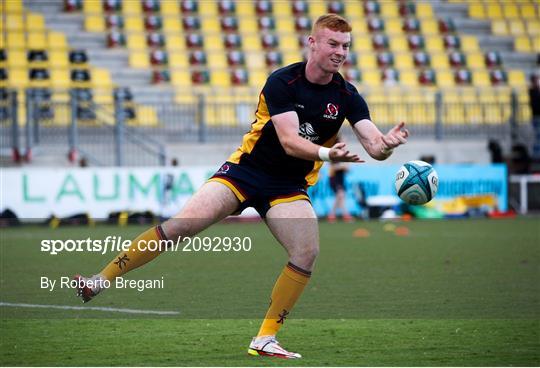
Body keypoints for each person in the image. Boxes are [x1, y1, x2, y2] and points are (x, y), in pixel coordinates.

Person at [73, 14, 409, 359]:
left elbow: (373, 146)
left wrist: (388, 145)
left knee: (306, 252)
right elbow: (291, 141)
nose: (341, 52)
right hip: (244, 172)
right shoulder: (282, 82)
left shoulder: (348, 95)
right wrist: (327, 153)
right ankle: (99, 280)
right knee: (180, 227)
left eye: (346, 46)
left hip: (287, 186)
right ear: (313, 43)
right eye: (333, 44)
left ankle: (264, 338)